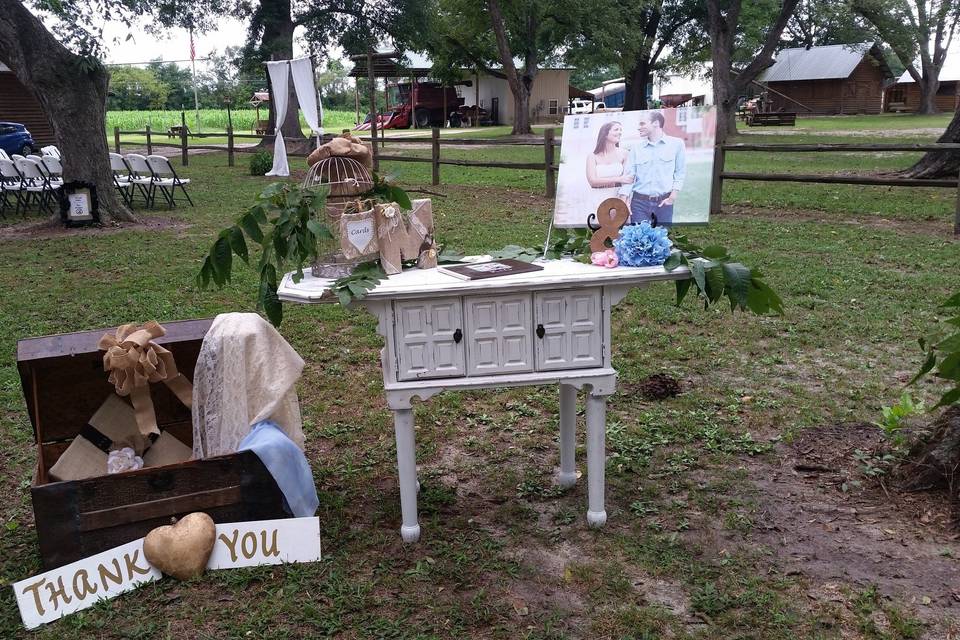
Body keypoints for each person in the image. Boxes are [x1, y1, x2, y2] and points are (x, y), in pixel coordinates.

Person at [619, 111, 686, 226]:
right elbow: (630, 176)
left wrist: (672, 197)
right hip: (639, 203)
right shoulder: (636, 148)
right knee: (639, 240)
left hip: (664, 203)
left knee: (661, 241)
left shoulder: (677, 144)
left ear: (655, 123)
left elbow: (680, 172)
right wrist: (624, 199)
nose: (638, 128)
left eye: (642, 124)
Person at [585, 121, 633, 201]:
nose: (619, 132)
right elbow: (592, 181)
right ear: (605, 134)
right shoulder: (592, 156)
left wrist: (625, 200)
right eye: (616, 129)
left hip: (618, 197)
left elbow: (627, 179)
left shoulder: (625, 154)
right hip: (597, 198)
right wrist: (619, 179)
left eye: (621, 130)